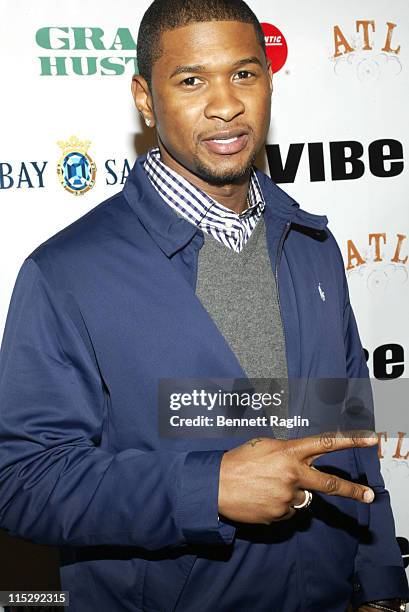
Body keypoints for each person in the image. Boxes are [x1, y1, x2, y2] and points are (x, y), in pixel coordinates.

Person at [0, 1, 407, 610]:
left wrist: (379, 584)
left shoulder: (312, 245)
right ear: (144, 97)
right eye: (192, 80)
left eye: (244, 74)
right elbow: (22, 482)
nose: (225, 104)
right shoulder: (66, 272)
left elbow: (347, 435)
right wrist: (207, 487)